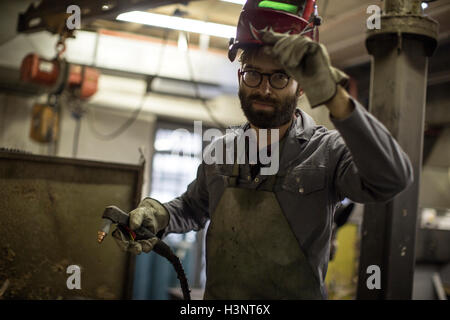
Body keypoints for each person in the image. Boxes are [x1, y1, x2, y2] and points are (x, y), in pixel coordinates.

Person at [111, 1, 413, 299]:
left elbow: (392, 179)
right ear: (241, 75)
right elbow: (193, 206)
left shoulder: (327, 153)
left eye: (280, 77)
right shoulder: (221, 150)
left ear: (303, 85)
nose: (264, 90)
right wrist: (160, 215)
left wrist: (335, 97)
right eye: (253, 73)